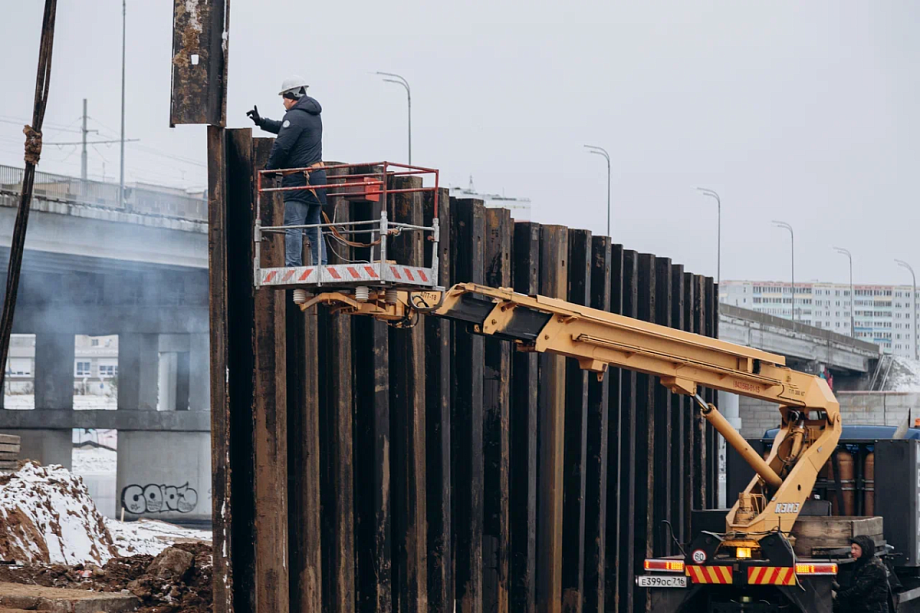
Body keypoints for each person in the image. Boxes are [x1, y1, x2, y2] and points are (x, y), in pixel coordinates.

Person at [247, 76, 327, 267]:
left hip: (299, 180)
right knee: (314, 226)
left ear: (292, 96)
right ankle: (321, 265)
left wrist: (269, 169)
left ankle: (293, 267)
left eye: (284, 97)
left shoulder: (295, 116)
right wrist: (262, 122)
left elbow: (281, 146)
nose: (283, 101)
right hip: (316, 178)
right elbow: (286, 129)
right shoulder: (311, 114)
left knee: (293, 225)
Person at [833, 535, 889, 613]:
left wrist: (838, 595)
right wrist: (838, 588)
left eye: (856, 549)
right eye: (852, 548)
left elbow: (859, 589)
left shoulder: (873, 566)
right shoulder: (861, 563)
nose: (852, 551)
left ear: (865, 549)